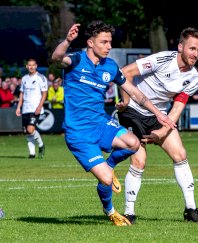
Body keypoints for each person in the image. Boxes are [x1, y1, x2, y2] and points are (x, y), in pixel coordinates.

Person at [51, 21, 175, 226]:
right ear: (90, 43)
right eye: (104, 42)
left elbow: (135, 92)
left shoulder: (110, 66)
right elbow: (56, 58)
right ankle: (110, 211)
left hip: (101, 124)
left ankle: (109, 165)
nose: (109, 46)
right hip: (79, 133)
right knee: (106, 180)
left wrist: (159, 114)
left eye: (110, 41)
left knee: (134, 143)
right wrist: (67, 41)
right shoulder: (76, 60)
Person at [117, 27, 198, 224]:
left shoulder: (192, 78)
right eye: (192, 48)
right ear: (180, 47)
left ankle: (191, 210)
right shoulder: (162, 60)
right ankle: (129, 213)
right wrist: (124, 101)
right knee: (139, 160)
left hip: (159, 115)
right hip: (134, 111)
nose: (195, 54)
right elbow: (125, 73)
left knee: (180, 155)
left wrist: (162, 131)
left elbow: (176, 110)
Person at [15, 59, 47, 159]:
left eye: (33, 65)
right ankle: (32, 153)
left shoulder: (41, 78)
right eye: (29, 65)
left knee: (30, 129)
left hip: (35, 108)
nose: (31, 67)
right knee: (27, 132)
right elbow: (22, 93)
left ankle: (41, 145)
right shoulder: (24, 78)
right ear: (26, 66)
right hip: (25, 108)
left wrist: (39, 107)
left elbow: (44, 93)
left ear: (36, 66)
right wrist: (18, 107)